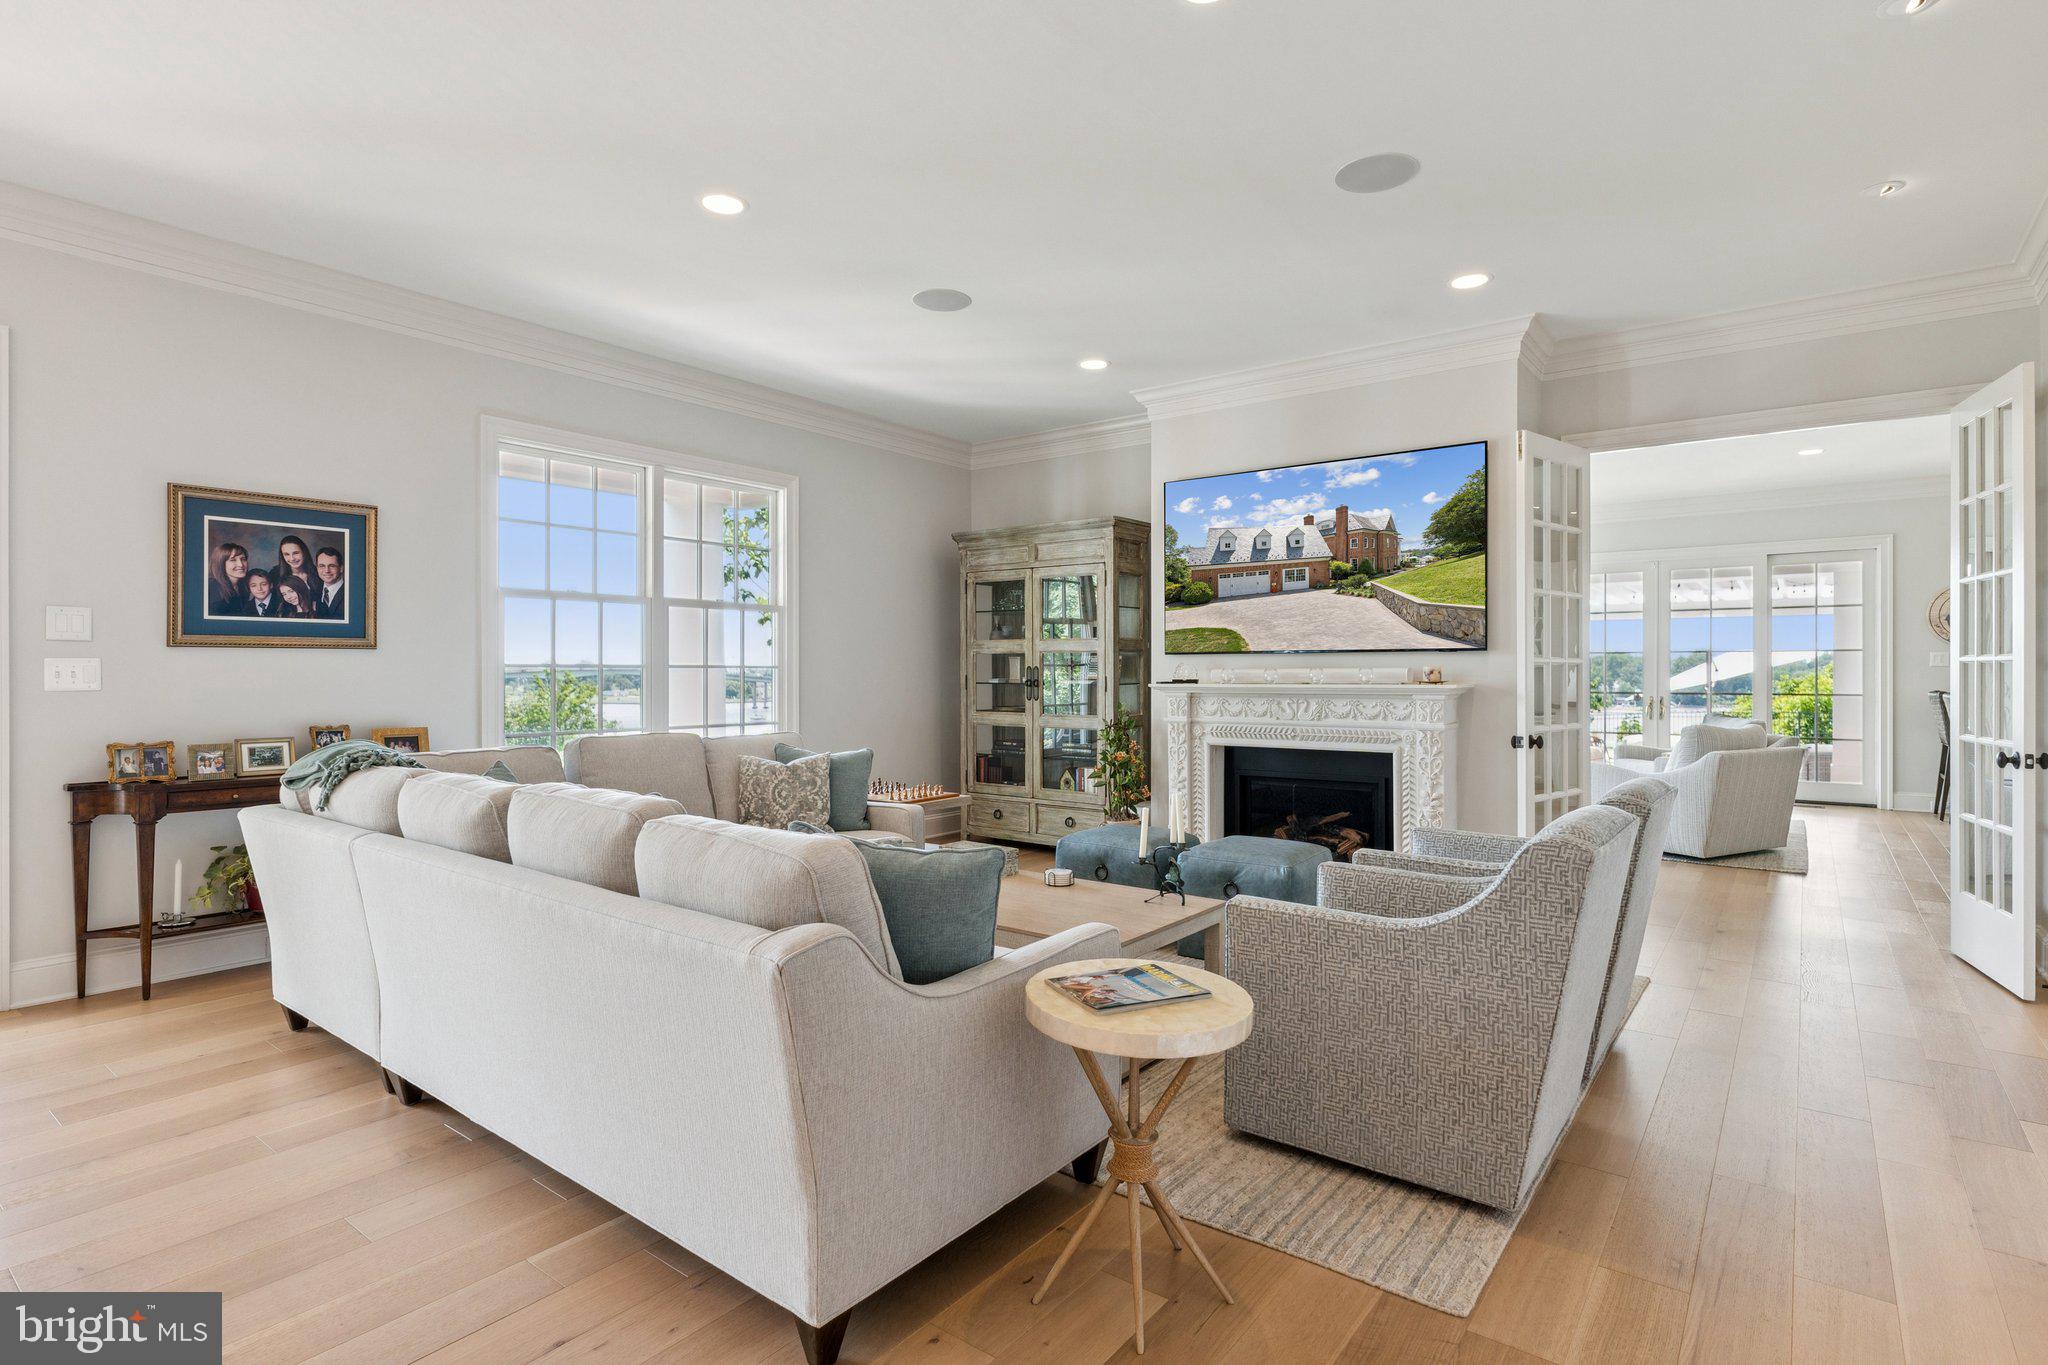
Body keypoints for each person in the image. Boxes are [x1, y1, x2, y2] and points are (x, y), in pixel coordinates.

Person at [272, 535, 318, 608]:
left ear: (304, 552)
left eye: (296, 553)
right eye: (286, 554)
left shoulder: (317, 573)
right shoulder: (275, 574)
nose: (292, 558)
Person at [206, 541, 250, 616]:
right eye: (233, 560)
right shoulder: (212, 587)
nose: (241, 564)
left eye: (243, 559)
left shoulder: (242, 587)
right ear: (221, 564)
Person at [312, 546, 347, 619]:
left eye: (332, 566)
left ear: (341, 568)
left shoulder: (350, 593)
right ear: (317, 568)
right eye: (322, 566)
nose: (327, 570)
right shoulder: (315, 591)